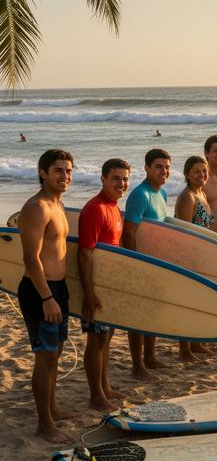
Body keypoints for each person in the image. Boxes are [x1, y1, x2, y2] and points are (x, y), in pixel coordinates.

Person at [17, 149, 76, 443]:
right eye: (58, 170)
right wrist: (46, 298)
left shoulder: (58, 205)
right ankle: (44, 424)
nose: (64, 176)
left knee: (57, 354)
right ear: (42, 172)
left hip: (58, 289)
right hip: (40, 291)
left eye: (68, 171)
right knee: (46, 357)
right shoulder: (37, 207)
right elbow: (31, 258)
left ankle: (52, 407)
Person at [78, 158, 130, 411]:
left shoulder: (114, 207)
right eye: (116, 178)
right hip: (96, 288)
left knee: (106, 339)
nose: (122, 183)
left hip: (109, 287)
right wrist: (89, 292)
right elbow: (85, 252)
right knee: (96, 340)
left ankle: (105, 387)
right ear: (103, 180)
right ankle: (95, 396)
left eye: (124, 179)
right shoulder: (95, 208)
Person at [123, 148, 171, 379]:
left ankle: (150, 357)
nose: (164, 171)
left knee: (152, 311)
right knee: (137, 315)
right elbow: (128, 233)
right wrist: (135, 264)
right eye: (159, 167)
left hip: (156, 263)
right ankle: (137, 365)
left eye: (167, 167)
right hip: (141, 261)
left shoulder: (161, 194)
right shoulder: (140, 195)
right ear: (147, 168)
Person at [174, 155, 216, 361]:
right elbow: (184, 233)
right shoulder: (187, 197)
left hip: (203, 254)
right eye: (197, 171)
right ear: (187, 174)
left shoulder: (202, 194)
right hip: (190, 257)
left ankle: (196, 343)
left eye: (205, 171)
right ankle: (184, 349)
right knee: (188, 302)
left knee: (199, 301)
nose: (202, 175)